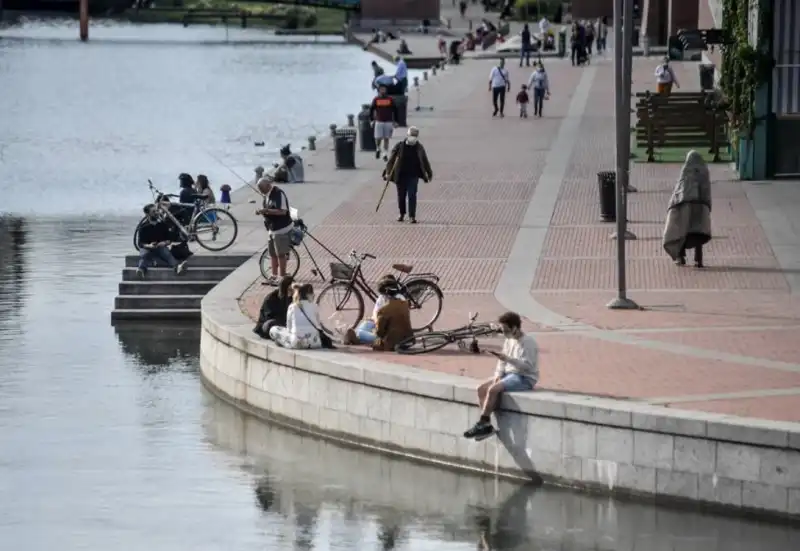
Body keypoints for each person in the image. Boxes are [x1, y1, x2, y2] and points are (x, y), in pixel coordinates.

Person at [463, 311, 538, 441]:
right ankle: (486, 425)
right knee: (481, 388)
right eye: (502, 330)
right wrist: (498, 375)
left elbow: (528, 367)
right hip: (509, 374)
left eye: (506, 330)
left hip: (523, 377)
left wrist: (508, 359)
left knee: (493, 389)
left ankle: (482, 421)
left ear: (515, 328)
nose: (504, 334)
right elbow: (501, 362)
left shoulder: (528, 342)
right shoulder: (509, 341)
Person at [662, 150, 712, 268]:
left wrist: (673, 204)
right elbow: (707, 190)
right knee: (699, 232)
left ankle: (681, 256)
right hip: (701, 206)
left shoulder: (686, 171)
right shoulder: (704, 172)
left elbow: (680, 189)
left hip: (686, 205)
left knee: (682, 230)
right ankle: (698, 260)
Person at [343, 276, 411, 349]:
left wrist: (376, 329)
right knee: (366, 325)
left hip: (390, 340)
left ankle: (357, 338)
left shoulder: (385, 309)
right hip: (406, 337)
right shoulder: (403, 301)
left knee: (360, 332)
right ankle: (357, 337)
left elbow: (380, 332)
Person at [383, 126, 433, 223]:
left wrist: (429, 173)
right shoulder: (399, 146)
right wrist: (388, 172)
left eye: (414, 136)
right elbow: (391, 160)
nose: (412, 137)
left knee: (412, 195)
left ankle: (412, 216)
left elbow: (425, 161)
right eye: (411, 135)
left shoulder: (419, 147)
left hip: (413, 175)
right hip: (400, 175)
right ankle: (402, 213)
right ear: (407, 135)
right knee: (401, 196)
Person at [255, 177, 293, 286]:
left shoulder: (278, 194)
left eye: (262, 188)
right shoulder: (266, 196)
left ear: (268, 186)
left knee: (280, 254)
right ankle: (274, 275)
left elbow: (283, 211)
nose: (261, 191)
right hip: (272, 229)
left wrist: (266, 210)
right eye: (259, 189)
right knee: (272, 253)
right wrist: (262, 211)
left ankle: (282, 277)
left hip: (281, 228)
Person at [136, 204, 188, 279]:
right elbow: (140, 243)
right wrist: (149, 245)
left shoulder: (162, 224)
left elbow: (169, 239)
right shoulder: (143, 227)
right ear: (147, 214)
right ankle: (141, 270)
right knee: (144, 255)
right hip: (147, 247)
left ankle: (177, 267)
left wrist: (165, 243)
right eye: (153, 212)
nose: (157, 213)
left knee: (167, 254)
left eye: (157, 210)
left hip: (159, 247)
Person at [269, 283, 322, 349]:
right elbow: (318, 324)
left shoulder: (292, 306)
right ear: (310, 295)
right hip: (315, 342)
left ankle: (286, 343)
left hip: (297, 342)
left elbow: (289, 328)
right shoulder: (315, 306)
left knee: (273, 329)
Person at [370, 85, 399, 161]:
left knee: (386, 138)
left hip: (388, 121)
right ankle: (378, 148)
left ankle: (385, 154)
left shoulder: (390, 99)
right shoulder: (376, 99)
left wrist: (396, 121)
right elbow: (371, 110)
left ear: (386, 90)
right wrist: (372, 120)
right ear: (379, 91)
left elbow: (395, 110)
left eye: (384, 89)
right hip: (379, 121)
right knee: (378, 138)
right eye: (381, 89)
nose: (383, 91)